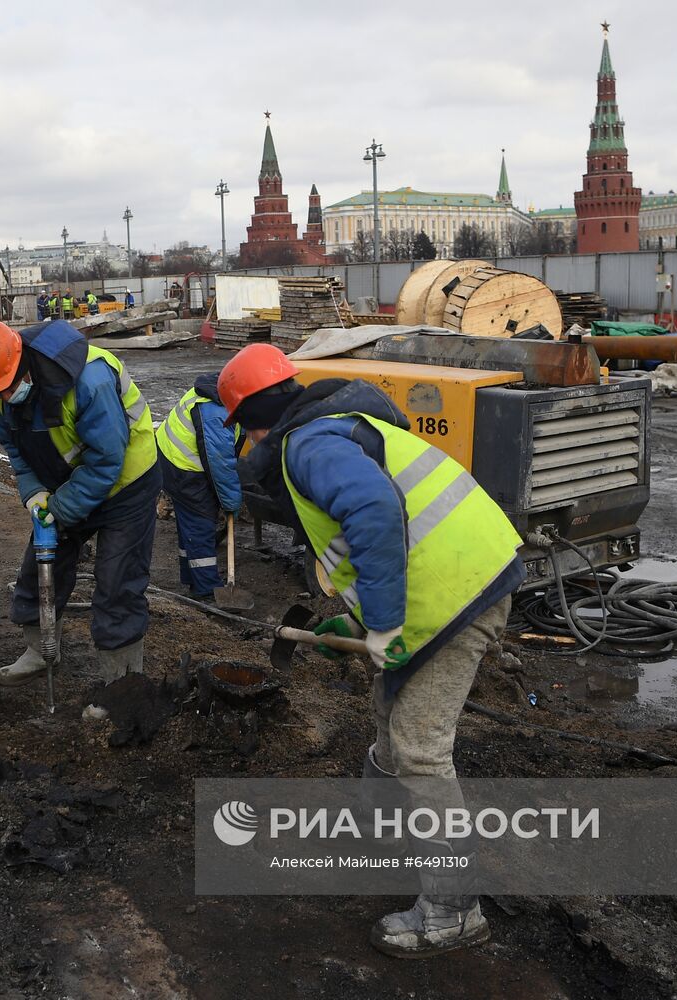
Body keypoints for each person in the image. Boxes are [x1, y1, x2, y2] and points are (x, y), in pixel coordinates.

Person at [218, 343, 524, 958]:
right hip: (456, 578)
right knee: (390, 712)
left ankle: (455, 911)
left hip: (458, 593)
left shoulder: (308, 444)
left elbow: (375, 511)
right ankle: (383, 835)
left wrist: (382, 623)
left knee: (419, 747)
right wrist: (353, 624)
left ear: (253, 420)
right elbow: (367, 544)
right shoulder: (333, 428)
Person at [0, 318, 159, 718]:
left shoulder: (90, 380)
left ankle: (122, 685)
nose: (4, 396)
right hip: (67, 482)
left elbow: (107, 462)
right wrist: (34, 493)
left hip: (126, 485)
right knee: (40, 566)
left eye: (8, 387)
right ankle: (41, 649)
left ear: (22, 362)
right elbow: (17, 452)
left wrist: (62, 508)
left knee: (117, 580)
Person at [156, 375, 242, 600]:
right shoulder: (216, 414)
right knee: (200, 524)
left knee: (189, 523)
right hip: (183, 470)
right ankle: (206, 589)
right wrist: (231, 502)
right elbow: (220, 465)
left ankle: (191, 576)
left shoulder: (218, 392)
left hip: (170, 459)